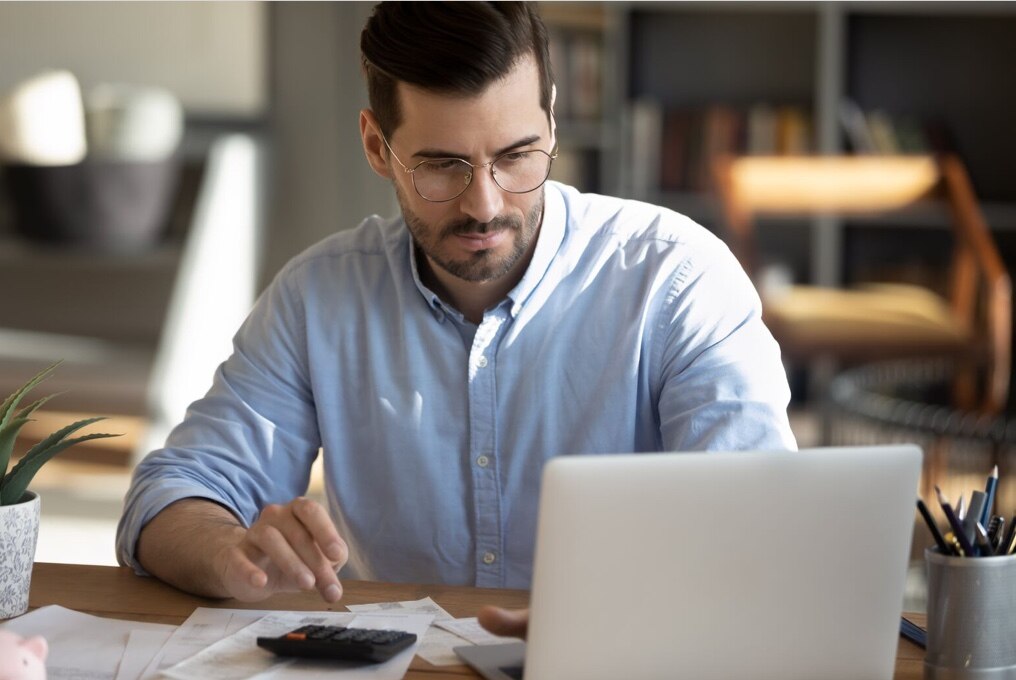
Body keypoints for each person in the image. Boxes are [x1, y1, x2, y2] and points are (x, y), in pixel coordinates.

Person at [116, 1, 796, 629]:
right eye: (442, 167)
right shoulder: (317, 297)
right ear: (378, 148)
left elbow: (759, 523)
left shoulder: (676, 280)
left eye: (516, 156)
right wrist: (230, 550)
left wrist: (610, 622)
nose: (484, 204)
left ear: (552, 122)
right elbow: (169, 495)